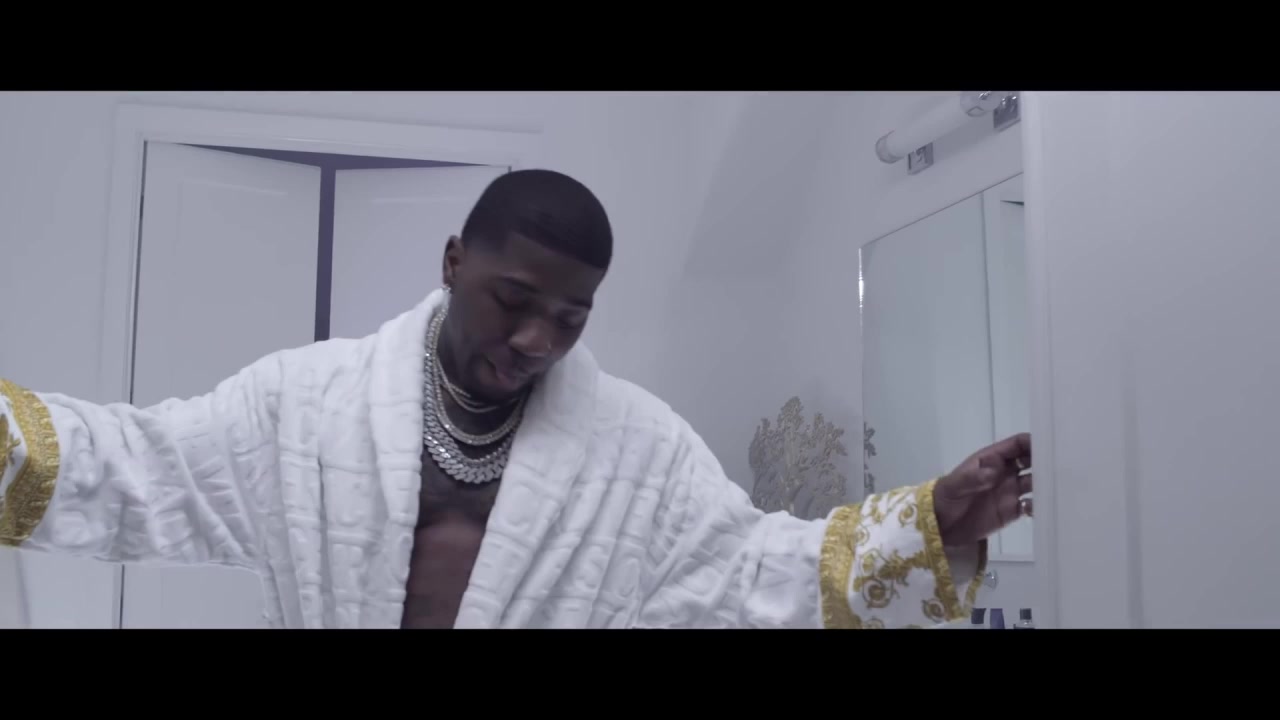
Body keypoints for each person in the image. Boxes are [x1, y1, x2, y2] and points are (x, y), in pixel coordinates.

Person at [0, 169, 1032, 629]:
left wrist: (930, 526)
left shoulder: (637, 448)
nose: (537, 340)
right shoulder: (302, 405)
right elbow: (140, 467)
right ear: (455, 261)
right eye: (513, 301)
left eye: (571, 317)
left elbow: (754, 572)